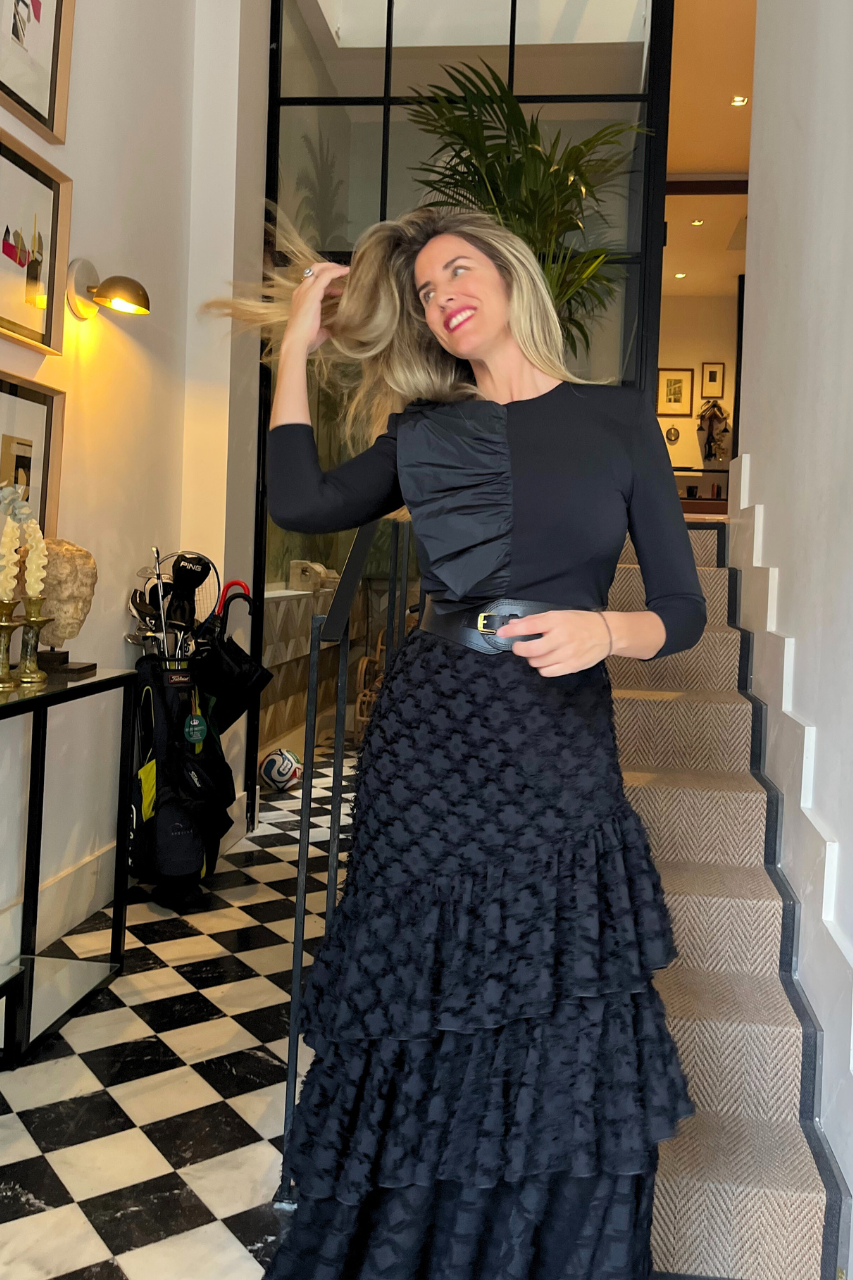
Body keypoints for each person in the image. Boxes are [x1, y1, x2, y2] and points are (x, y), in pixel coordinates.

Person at [254, 207, 706, 1279]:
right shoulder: (425, 432)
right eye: (423, 291)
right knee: (426, 989)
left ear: (508, 274)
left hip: (555, 739)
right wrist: (294, 350)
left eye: (457, 270)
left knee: (560, 985)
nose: (442, 296)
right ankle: (416, 1241)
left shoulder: (616, 417)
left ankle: (539, 1245)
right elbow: (300, 501)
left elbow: (683, 609)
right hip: (433, 740)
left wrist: (607, 630)